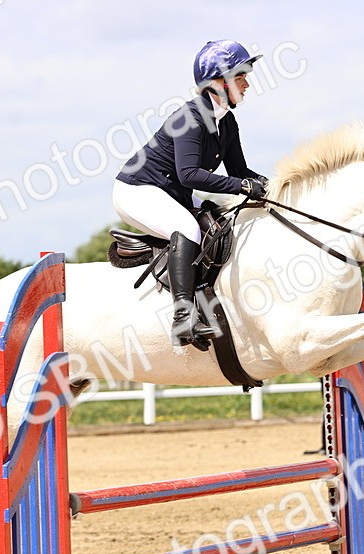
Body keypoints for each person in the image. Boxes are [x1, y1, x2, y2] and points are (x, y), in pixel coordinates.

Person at [113, 39, 270, 348]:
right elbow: (190, 174)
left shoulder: (227, 122)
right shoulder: (190, 119)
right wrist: (242, 187)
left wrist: (269, 185)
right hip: (137, 190)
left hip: (172, 191)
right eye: (241, 77)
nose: (247, 84)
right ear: (219, 82)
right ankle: (183, 318)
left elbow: (239, 170)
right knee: (187, 228)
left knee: (216, 225)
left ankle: (206, 302)